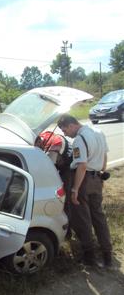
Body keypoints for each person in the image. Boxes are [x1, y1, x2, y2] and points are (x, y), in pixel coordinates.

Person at [57, 114, 112, 267]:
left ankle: (90, 257)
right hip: (96, 179)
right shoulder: (98, 132)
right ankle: (107, 254)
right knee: (99, 217)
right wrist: (100, 174)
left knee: (83, 220)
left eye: (64, 130)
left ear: (71, 125)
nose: (65, 134)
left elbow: (81, 165)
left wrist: (75, 189)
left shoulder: (79, 140)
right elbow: (104, 158)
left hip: (83, 180)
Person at [35, 131, 73, 219]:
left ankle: (68, 223)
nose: (37, 148)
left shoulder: (54, 145)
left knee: (66, 199)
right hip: (62, 163)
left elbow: (50, 168)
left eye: (37, 146)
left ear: (39, 142)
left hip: (69, 169)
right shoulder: (43, 135)